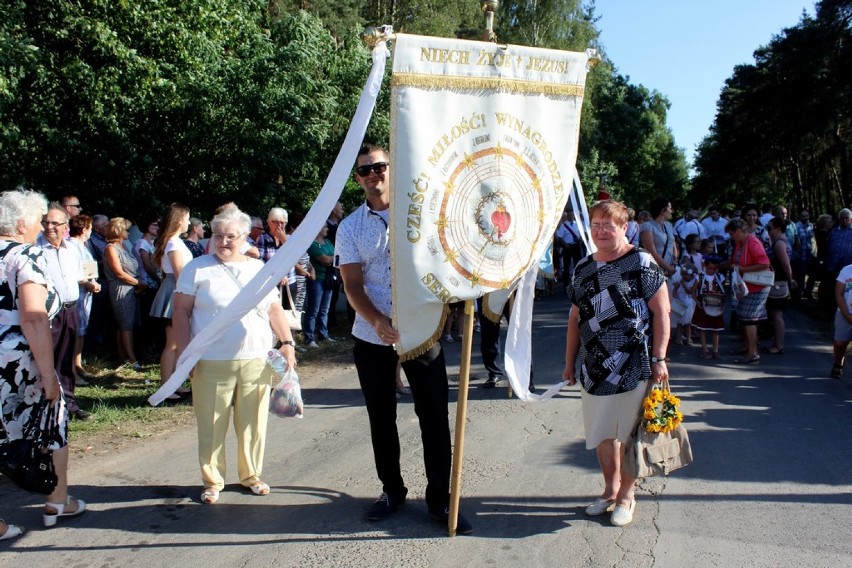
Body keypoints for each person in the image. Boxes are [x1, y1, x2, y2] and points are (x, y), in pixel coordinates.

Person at [335, 143, 472, 534]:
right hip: (371, 333)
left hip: (422, 332)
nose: (373, 174)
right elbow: (352, 284)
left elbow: (449, 262)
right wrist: (377, 320)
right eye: (365, 170)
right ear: (357, 178)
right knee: (381, 417)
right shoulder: (350, 227)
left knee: (434, 417)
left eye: (379, 166)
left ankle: (440, 501)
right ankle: (392, 490)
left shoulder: (424, 214)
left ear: (392, 168)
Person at [172, 206, 297, 504]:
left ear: (245, 237)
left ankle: (251, 475)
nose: (224, 242)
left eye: (231, 236)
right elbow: (180, 312)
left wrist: (288, 342)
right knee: (212, 423)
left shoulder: (259, 269)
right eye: (218, 235)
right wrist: (185, 352)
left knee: (253, 423)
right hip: (211, 361)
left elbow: (273, 309)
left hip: (256, 360)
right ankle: (212, 480)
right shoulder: (196, 268)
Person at [562, 199, 670, 528]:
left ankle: (627, 495)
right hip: (594, 366)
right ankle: (609, 491)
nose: (601, 231)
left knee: (629, 434)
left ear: (625, 228)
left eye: (609, 225)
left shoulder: (641, 261)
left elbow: (662, 311)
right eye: (596, 224)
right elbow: (574, 319)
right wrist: (569, 363)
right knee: (603, 434)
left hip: (632, 365)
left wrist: (659, 358)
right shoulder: (583, 268)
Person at [0, 188, 86, 530]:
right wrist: (50, 375)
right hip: (17, 358)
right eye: (37, 220)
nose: (40, 227)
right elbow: (34, 317)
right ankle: (56, 501)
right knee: (53, 421)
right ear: (22, 223)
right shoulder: (25, 257)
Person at [37, 204, 90, 421]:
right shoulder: (36, 249)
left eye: (54, 223)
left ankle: (68, 402)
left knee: (67, 358)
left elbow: (78, 275)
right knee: (47, 358)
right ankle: (46, 405)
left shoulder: (72, 250)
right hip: (48, 313)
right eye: (45, 223)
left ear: (65, 226)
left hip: (71, 308)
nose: (49, 227)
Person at [150, 203, 193, 400]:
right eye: (187, 218)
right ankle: (167, 387)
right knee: (173, 343)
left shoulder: (174, 241)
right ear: (179, 220)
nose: (189, 222)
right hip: (175, 291)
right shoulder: (173, 243)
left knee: (177, 342)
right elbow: (179, 273)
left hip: (176, 289)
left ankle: (174, 383)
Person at [724, 218, 771, 365]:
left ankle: (753, 353)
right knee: (745, 318)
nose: (731, 237)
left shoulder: (753, 242)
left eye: (732, 233)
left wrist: (743, 270)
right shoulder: (741, 243)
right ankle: (748, 348)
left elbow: (764, 263)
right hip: (747, 286)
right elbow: (734, 260)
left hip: (757, 286)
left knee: (749, 319)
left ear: (738, 231)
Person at [103, 217, 146, 368]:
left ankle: (123, 358)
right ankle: (132, 360)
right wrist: (139, 283)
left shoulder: (124, 247)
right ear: (119, 231)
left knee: (126, 325)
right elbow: (119, 273)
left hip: (131, 288)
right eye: (126, 230)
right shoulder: (110, 248)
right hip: (120, 289)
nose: (129, 232)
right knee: (125, 325)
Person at [68, 215, 102, 385]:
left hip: (87, 293)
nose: (90, 232)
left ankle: (78, 366)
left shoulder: (83, 246)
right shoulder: (71, 246)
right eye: (89, 228)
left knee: (82, 332)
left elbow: (88, 270)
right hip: (79, 294)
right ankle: (73, 371)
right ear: (83, 229)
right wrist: (90, 285)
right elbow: (77, 274)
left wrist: (94, 283)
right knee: (77, 333)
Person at [763, 217, 796, 354]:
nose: (768, 231)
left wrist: (790, 279)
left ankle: (779, 345)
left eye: (769, 228)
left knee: (777, 314)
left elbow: (785, 264)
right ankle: (776, 343)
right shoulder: (779, 242)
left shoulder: (779, 244)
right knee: (775, 313)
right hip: (778, 282)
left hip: (778, 283)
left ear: (777, 228)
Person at [303, 224, 336, 347]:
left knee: (324, 309)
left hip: (328, 279)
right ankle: (309, 337)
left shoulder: (327, 242)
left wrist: (330, 258)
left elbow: (336, 255)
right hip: (316, 280)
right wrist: (331, 258)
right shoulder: (312, 244)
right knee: (314, 309)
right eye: (325, 227)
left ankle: (323, 335)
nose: (327, 229)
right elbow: (325, 259)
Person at [692, 255, 726, 359]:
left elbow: (723, 292)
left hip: (716, 306)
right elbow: (693, 291)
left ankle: (715, 350)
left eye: (715, 268)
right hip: (703, 306)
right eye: (710, 268)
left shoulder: (720, 277)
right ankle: (704, 349)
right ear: (705, 266)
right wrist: (697, 301)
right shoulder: (700, 277)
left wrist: (722, 303)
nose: (712, 270)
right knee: (703, 328)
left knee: (716, 329)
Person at [640, 197, 677, 277]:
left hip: (669, 270)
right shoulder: (647, 226)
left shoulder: (669, 226)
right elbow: (652, 252)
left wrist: (674, 263)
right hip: (654, 270)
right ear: (663, 211)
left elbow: (673, 245)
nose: (671, 211)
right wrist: (669, 268)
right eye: (670, 208)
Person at [793, 209, 816, 301]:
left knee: (812, 275)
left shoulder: (811, 226)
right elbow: (796, 241)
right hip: (800, 255)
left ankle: (808, 293)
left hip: (810, 254)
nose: (805, 218)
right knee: (800, 276)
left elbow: (812, 240)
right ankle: (799, 295)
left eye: (807, 216)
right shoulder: (796, 226)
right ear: (800, 217)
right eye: (803, 216)